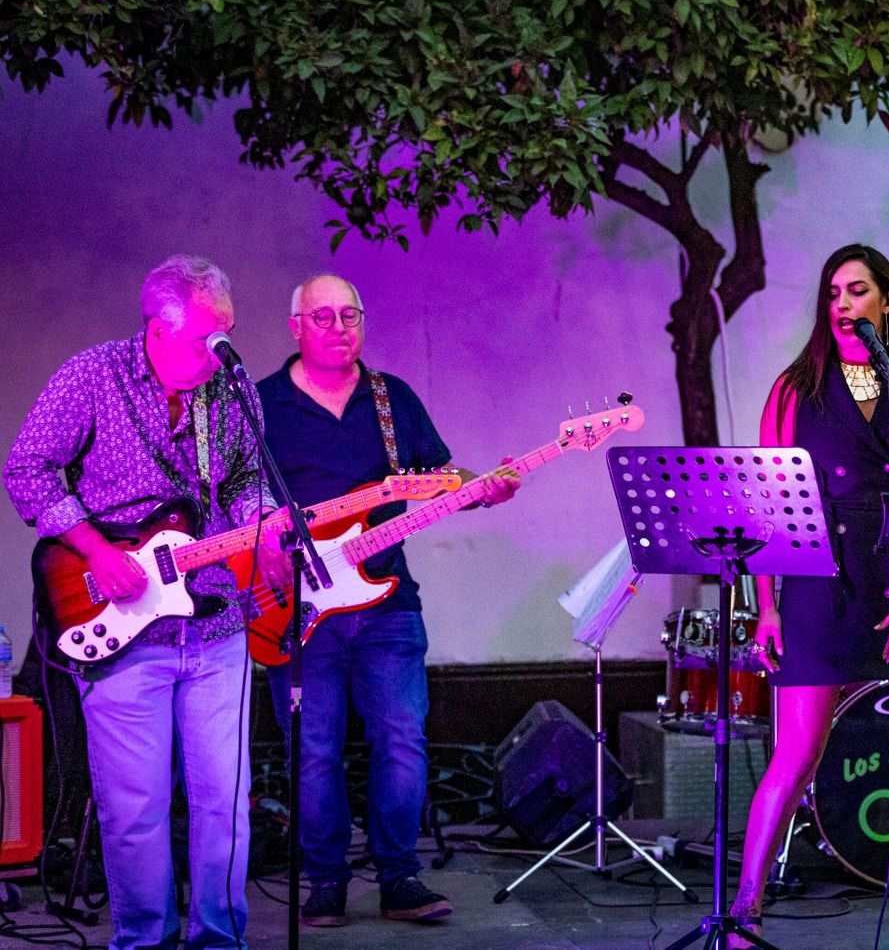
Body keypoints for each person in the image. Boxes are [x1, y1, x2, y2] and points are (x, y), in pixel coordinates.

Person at [4, 254, 288, 950]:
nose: (217, 354)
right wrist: (99, 553)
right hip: (120, 624)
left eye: (226, 335)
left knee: (225, 806)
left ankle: (221, 939)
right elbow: (25, 469)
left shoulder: (231, 389)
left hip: (217, 620)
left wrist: (269, 524)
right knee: (135, 811)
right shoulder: (92, 376)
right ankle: (144, 942)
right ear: (157, 331)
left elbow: (248, 478)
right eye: (203, 340)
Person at [729, 244, 889, 950]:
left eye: (856, 291)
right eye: (833, 293)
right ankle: (744, 914)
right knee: (798, 753)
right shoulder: (794, 388)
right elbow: (764, 501)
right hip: (821, 572)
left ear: (887, 301)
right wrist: (768, 604)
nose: (841, 304)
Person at [256, 273, 519, 927]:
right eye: (323, 317)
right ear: (296, 327)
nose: (339, 327)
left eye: (350, 315)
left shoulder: (390, 398)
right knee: (311, 748)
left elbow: (438, 473)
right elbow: (236, 498)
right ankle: (325, 882)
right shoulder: (260, 404)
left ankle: (400, 876)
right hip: (298, 606)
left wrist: (477, 486)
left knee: (403, 739)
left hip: (387, 599)